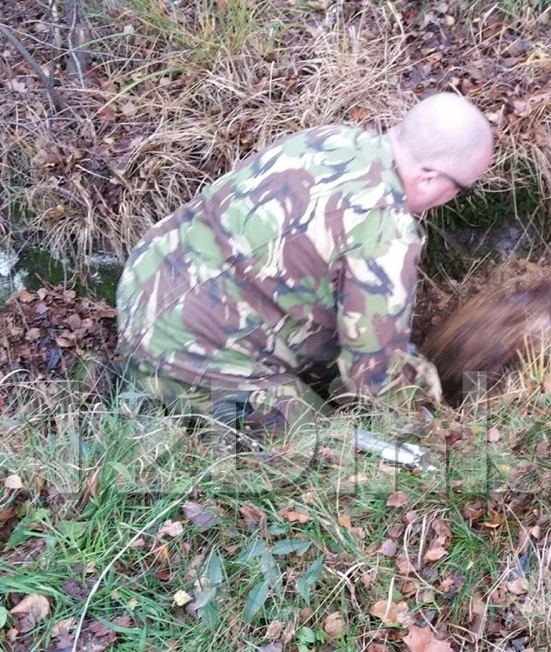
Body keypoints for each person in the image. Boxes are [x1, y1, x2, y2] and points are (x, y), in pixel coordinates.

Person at [114, 92, 494, 434]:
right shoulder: (384, 232)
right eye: (462, 189)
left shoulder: (333, 139)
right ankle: (174, 401)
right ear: (428, 179)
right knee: (334, 451)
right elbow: (376, 375)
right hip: (188, 358)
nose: (453, 198)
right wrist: (429, 425)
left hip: (142, 290)